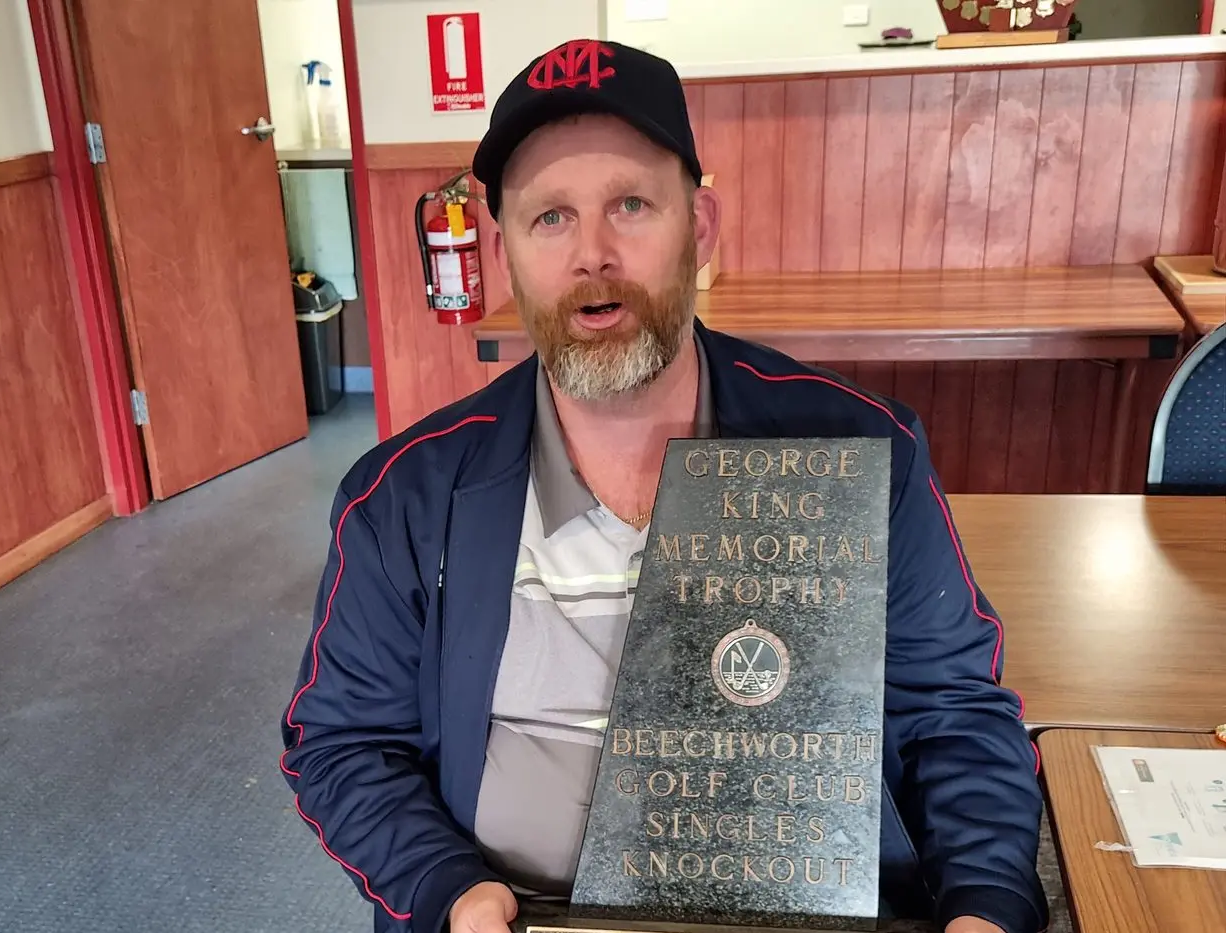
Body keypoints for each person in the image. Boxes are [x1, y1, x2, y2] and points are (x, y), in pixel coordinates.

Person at [279, 39, 1049, 933]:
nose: (592, 254)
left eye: (632, 205)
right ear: (507, 253)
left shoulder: (860, 449)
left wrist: (987, 906)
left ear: (702, 226)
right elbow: (341, 741)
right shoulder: (402, 496)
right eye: (549, 218)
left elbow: (954, 712)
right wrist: (449, 888)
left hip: (802, 911)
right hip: (519, 916)